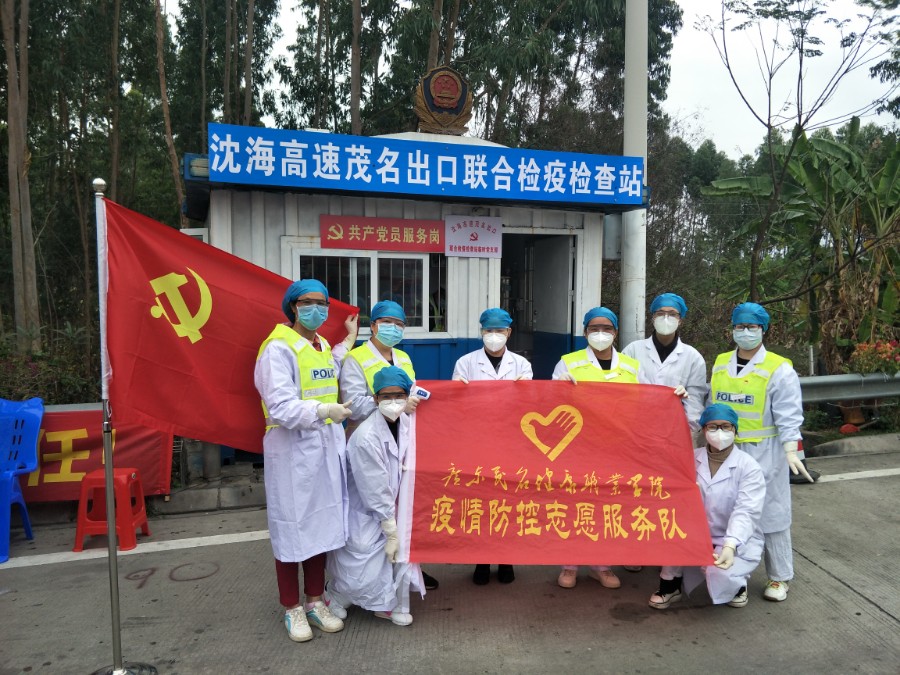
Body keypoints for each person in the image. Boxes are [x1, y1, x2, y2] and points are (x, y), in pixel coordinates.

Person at [552, 307, 688, 589]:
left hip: (617, 448)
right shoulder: (568, 363)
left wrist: (674, 397)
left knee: (608, 505)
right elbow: (550, 405)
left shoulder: (631, 366)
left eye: (606, 328)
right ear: (585, 332)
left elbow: (648, 401)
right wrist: (559, 387)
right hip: (578, 447)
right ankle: (569, 564)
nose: (600, 333)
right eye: (594, 328)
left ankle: (602, 565)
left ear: (615, 332)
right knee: (574, 504)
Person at [254, 279, 358, 642]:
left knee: (321, 527)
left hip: (325, 448)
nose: (317, 309)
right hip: (292, 451)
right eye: (307, 302)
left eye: (322, 303)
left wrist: (349, 339)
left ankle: (315, 601)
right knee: (291, 528)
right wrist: (323, 411)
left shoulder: (321, 345)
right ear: (293, 308)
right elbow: (281, 406)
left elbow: (331, 366)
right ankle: (292, 608)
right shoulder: (277, 348)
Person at [709, 302, 814, 603]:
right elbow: (711, 403)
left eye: (751, 327)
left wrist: (791, 449)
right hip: (726, 449)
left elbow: (789, 414)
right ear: (732, 329)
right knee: (729, 512)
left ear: (763, 330)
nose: (745, 332)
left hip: (765, 451)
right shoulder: (720, 363)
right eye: (739, 326)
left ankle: (779, 576)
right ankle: (735, 578)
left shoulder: (778, 368)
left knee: (771, 513)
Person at [339, 299, 439, 591]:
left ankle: (409, 571)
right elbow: (352, 406)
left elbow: (413, 391)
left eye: (399, 324)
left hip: (402, 438)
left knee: (404, 507)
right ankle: (368, 583)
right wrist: (391, 404)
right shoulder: (356, 359)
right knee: (373, 513)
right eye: (387, 323)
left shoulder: (403, 358)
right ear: (373, 326)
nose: (393, 329)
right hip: (370, 441)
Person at [326, 366, 424, 626]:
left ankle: (386, 603)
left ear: (407, 396)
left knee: (396, 557)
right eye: (386, 396)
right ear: (375, 399)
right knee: (362, 564)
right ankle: (334, 595)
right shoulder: (366, 437)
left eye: (399, 395)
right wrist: (390, 528)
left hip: (394, 504)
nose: (393, 402)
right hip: (367, 508)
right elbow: (374, 488)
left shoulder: (408, 423)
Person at [649, 403, 766, 610]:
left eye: (726, 426)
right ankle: (670, 585)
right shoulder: (690, 458)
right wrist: (678, 400)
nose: (719, 432)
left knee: (722, 572)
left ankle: (737, 585)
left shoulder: (749, 467)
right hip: (693, 532)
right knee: (671, 537)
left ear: (735, 430)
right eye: (713, 426)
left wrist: (730, 544)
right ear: (703, 430)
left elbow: (746, 510)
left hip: (729, 535)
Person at [452, 307, 533, 585]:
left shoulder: (521, 365)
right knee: (481, 502)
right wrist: (457, 390)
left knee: (508, 502)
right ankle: (482, 559)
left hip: (511, 444)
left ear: (509, 332)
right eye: (489, 330)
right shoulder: (465, 363)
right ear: (481, 332)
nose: (494, 335)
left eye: (499, 330)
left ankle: (506, 558)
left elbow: (528, 407)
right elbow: (456, 406)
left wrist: (526, 391)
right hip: (478, 444)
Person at [621, 292, 706, 431]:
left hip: (674, 429)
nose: (666, 318)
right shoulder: (633, 350)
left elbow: (694, 401)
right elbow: (622, 391)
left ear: (680, 320)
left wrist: (688, 431)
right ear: (653, 318)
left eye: (672, 314)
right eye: (660, 313)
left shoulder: (693, 357)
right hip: (636, 427)